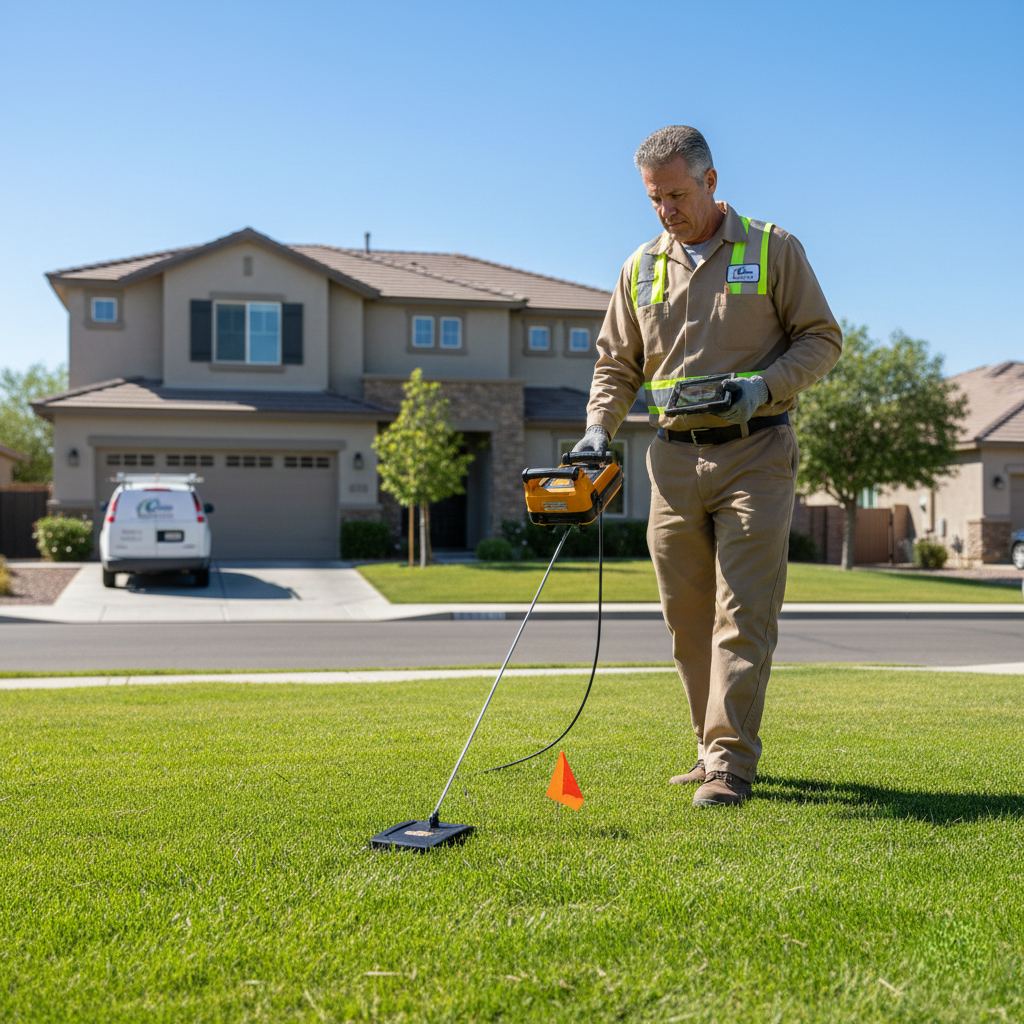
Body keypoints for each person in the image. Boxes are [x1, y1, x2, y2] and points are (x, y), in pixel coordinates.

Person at [574, 125, 842, 807]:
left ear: (711, 181)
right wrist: (595, 431)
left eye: (676, 193)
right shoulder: (640, 268)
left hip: (756, 453)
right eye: (654, 198)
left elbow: (821, 340)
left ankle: (729, 764)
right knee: (685, 620)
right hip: (671, 463)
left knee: (743, 614)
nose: (666, 209)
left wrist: (764, 386)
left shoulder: (773, 248)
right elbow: (615, 364)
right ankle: (707, 747)